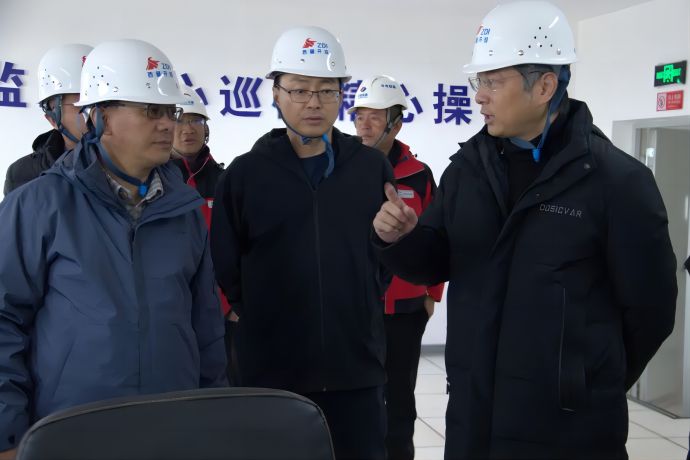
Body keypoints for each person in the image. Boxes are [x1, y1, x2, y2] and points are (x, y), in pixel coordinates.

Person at [372, 2, 677, 459]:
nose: (479, 97)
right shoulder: (467, 171)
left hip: (569, 430)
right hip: (474, 418)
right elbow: (435, 262)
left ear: (545, 86)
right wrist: (401, 238)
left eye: (493, 82)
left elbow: (650, 311)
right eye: (478, 82)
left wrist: (586, 381)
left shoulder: (616, 182)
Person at [0, 39, 227, 460]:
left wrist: (214, 415)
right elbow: (4, 320)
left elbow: (205, 326)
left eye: (170, 111)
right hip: (73, 430)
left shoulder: (185, 210)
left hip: (172, 427)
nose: (167, 125)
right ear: (101, 115)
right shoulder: (37, 206)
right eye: (151, 111)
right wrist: (7, 434)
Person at [210, 26, 393, 460]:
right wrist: (256, 313)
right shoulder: (245, 174)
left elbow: (383, 261)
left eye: (327, 90)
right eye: (299, 89)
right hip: (273, 367)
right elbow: (225, 259)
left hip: (355, 364)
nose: (314, 102)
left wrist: (361, 299)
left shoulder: (370, 168)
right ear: (276, 93)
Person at [349, 75, 444, 460]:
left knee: (400, 400)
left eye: (375, 116)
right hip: (354, 306)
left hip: (404, 309)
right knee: (354, 396)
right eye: (359, 116)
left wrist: (431, 294)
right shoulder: (342, 168)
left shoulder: (419, 174)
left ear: (396, 123)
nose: (364, 124)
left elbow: (438, 236)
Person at [172, 88, 238, 383]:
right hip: (172, 314)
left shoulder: (225, 182)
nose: (188, 129)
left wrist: (236, 305)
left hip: (222, 315)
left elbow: (243, 245)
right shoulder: (155, 184)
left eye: (196, 121)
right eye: (180, 120)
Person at [4, 43, 92, 195]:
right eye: (82, 104)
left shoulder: (130, 162)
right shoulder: (22, 176)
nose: (97, 113)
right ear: (52, 119)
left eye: (105, 103)